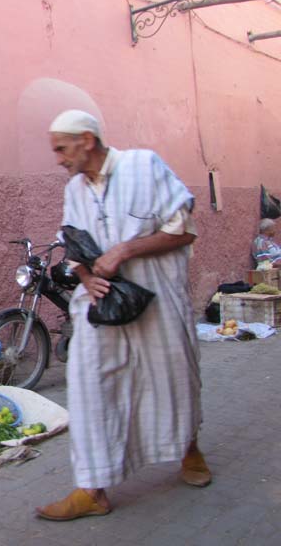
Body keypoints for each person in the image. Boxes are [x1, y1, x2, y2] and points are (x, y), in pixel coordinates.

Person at [35, 110, 211, 521]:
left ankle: (189, 450)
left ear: (87, 141)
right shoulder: (75, 189)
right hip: (100, 307)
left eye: (62, 149)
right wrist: (84, 277)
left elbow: (184, 231)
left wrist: (125, 250)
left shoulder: (143, 165)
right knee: (90, 387)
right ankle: (91, 490)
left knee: (172, 379)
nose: (58, 159)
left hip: (158, 301)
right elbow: (74, 247)